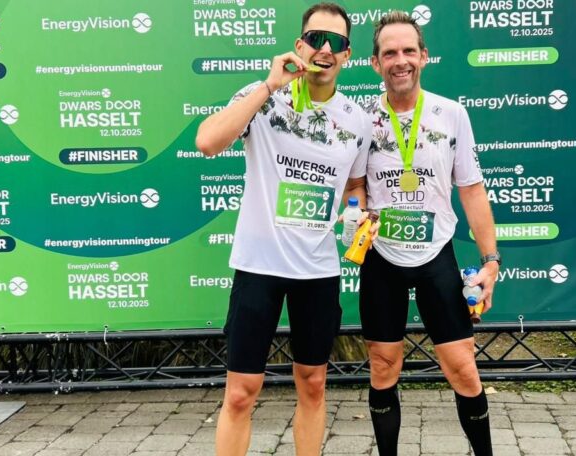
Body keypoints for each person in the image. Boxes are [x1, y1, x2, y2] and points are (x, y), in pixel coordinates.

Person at [194, 3, 370, 455]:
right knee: (241, 392)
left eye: (336, 42)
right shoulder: (263, 96)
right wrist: (269, 85)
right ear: (299, 45)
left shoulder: (357, 119)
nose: (325, 49)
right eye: (315, 39)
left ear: (347, 54)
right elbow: (207, 142)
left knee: (313, 384)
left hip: (317, 270)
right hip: (259, 266)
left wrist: (356, 213)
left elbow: (354, 186)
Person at [359, 11, 499, 456]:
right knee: (383, 366)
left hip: (436, 254)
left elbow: (471, 189)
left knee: (462, 368)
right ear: (375, 63)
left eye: (408, 51)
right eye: (389, 53)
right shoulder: (361, 118)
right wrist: (355, 214)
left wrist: (491, 260)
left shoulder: (451, 114)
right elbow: (353, 186)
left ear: (424, 56)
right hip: (382, 257)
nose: (399, 60)